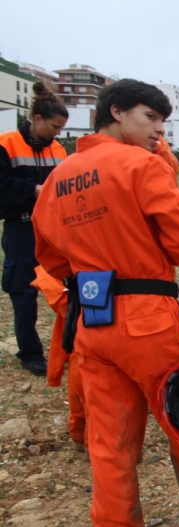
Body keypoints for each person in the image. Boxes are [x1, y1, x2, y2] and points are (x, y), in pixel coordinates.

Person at [31, 79, 179, 527]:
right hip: (150, 317)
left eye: (163, 122)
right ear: (117, 112)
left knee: (110, 444)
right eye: (151, 118)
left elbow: (50, 258)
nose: (158, 131)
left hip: (93, 319)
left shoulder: (59, 177)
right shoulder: (142, 165)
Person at [0, 82, 68, 376]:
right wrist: (34, 190)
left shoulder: (59, 151)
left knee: (67, 288)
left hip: (54, 229)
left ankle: (71, 345)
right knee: (23, 293)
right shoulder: (6, 144)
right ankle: (30, 353)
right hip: (21, 228)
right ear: (37, 119)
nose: (58, 133)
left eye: (61, 128)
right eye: (54, 126)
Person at [30, 266, 87, 451]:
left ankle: (83, 435)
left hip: (85, 296)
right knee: (84, 371)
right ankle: (83, 436)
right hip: (82, 297)